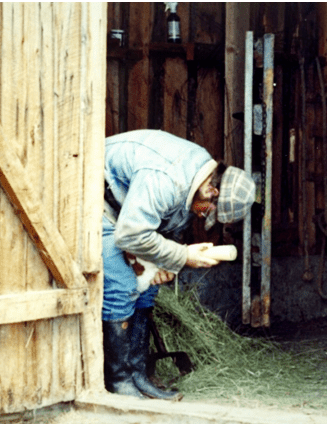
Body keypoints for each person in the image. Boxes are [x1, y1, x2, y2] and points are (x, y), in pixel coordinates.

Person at [102, 129, 255, 400]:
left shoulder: (199, 177)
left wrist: (165, 264)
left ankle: (138, 373)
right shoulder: (167, 179)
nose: (204, 216)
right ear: (212, 190)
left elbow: (165, 230)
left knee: (147, 286)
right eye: (209, 210)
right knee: (123, 286)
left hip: (129, 212)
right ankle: (119, 381)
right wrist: (183, 256)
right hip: (97, 199)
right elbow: (131, 234)